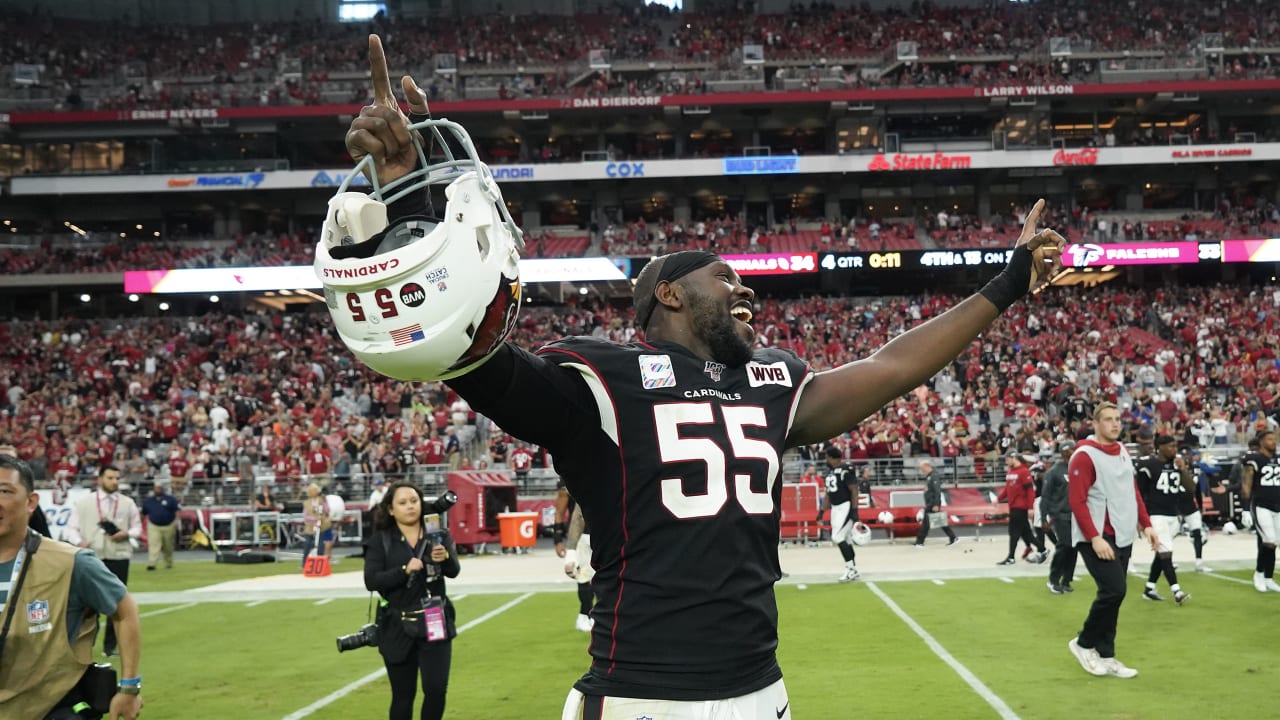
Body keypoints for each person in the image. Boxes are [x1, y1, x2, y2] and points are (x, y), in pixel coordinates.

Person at [340, 33, 1064, 716]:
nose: (745, 289)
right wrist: (410, 198)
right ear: (671, 293)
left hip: (760, 687)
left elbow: (891, 366)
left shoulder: (772, 381)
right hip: (642, 692)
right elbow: (474, 357)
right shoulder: (601, 377)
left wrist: (1004, 284)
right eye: (726, 278)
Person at [0, 454, 144, 720]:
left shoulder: (71, 562)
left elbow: (125, 611)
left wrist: (129, 687)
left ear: (31, 502)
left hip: (52, 708)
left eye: (5, 492)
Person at [1067, 403, 1158, 679]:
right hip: (1098, 536)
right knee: (1114, 590)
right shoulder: (1084, 456)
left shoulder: (1122, 452)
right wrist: (1094, 537)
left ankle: (1106, 655)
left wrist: (1147, 524)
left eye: (1118, 419)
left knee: (1115, 596)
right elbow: (1077, 501)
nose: (1115, 424)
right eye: (1108, 420)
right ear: (1095, 423)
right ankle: (1083, 644)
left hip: (1122, 533)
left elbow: (1132, 492)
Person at [364, 481, 460, 720]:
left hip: (434, 618)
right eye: (403, 503)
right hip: (397, 624)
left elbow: (454, 571)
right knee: (403, 695)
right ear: (390, 509)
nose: (410, 507)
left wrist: (445, 557)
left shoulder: (437, 534)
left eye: (414, 501)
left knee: (436, 690)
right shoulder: (381, 540)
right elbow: (371, 580)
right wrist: (405, 569)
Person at [66, 465, 140, 658]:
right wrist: (78, 542)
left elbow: (137, 529)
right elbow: (71, 529)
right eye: (110, 477)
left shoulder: (127, 503)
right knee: (88, 606)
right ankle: (83, 645)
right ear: (99, 479)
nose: (114, 481)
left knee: (116, 603)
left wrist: (127, 533)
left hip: (118, 556)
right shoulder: (83, 503)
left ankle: (110, 647)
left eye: (117, 478)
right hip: (91, 557)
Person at [1133, 435, 1192, 604]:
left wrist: (1182, 470)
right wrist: (1140, 519)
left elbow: (1190, 489)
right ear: (1160, 447)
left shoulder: (1177, 464)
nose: (1175, 449)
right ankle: (1177, 591)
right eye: (1171, 446)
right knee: (1166, 553)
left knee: (1161, 554)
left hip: (1173, 514)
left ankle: (1149, 588)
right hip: (1156, 514)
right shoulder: (1148, 465)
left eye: (1175, 446)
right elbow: (1139, 493)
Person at [1240, 429, 1280, 593]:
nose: (1273, 442)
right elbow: (1246, 485)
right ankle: (1259, 573)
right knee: (1268, 540)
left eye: (1275, 439)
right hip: (1261, 505)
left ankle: (1269, 578)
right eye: (1270, 439)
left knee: (1273, 544)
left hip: (1278, 505)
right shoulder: (1254, 459)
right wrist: (1245, 509)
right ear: (1262, 442)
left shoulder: (1278, 459)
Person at [1041, 440, 1078, 594]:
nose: (1071, 453)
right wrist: (1043, 518)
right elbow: (1046, 496)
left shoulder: (1080, 468)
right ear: (1063, 453)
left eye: (1073, 450)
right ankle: (1053, 579)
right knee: (1065, 545)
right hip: (1061, 514)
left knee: (1074, 547)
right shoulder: (1054, 471)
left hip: (1076, 514)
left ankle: (1067, 580)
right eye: (1069, 451)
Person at [997, 453, 1046, 565]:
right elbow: (1007, 488)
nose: (1006, 462)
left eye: (1008, 459)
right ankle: (1043, 549)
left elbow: (1030, 491)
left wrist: (1030, 507)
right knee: (1026, 533)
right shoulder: (1011, 471)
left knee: (1014, 532)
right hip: (1013, 505)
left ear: (1014, 458)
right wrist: (999, 498)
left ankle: (1011, 557)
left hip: (1020, 506)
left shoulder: (1024, 471)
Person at [822, 445, 862, 581]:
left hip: (845, 506)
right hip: (835, 508)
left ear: (833, 458)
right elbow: (828, 494)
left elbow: (854, 490)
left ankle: (851, 569)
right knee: (846, 539)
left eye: (827, 457)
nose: (826, 460)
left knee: (838, 537)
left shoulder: (846, 469)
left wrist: (855, 510)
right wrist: (821, 512)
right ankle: (853, 569)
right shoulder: (831, 472)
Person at [563, 502, 597, 633]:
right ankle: (584, 615)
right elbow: (578, 514)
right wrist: (570, 552)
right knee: (584, 576)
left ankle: (597, 616)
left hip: (611, 535)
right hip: (586, 536)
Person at [913, 460, 957, 547]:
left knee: (925, 523)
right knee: (940, 521)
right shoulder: (929, 476)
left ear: (927, 466)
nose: (922, 470)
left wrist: (936, 504)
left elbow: (937, 491)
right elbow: (931, 489)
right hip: (930, 502)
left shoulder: (934, 476)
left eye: (922, 468)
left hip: (932, 503)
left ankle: (919, 542)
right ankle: (953, 537)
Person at [140, 482, 180, 571]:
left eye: (159, 488)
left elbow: (176, 510)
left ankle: (168, 562)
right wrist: (139, 523)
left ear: (162, 489)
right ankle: (152, 563)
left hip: (168, 525)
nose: (157, 490)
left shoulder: (170, 499)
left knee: (168, 546)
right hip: (154, 525)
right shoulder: (148, 501)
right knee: (154, 545)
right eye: (156, 488)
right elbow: (143, 513)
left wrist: (176, 521)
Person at [300, 483, 332, 568]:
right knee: (307, 544)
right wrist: (314, 518)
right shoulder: (307, 503)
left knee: (320, 545)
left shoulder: (321, 500)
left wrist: (324, 502)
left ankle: (320, 563)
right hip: (310, 527)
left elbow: (327, 510)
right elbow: (305, 516)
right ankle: (304, 564)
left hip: (320, 526)